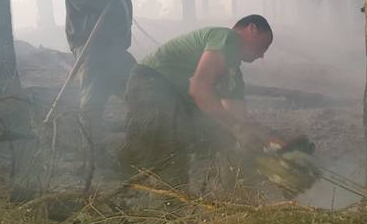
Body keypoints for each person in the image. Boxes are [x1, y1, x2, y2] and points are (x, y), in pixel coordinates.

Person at [120, 15, 282, 186]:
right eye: (265, 44)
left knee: (206, 137)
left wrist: (268, 142)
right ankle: (168, 202)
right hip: (151, 82)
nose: (263, 54)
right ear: (252, 29)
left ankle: (219, 191)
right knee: (165, 147)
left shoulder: (233, 71)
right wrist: (237, 128)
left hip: (175, 96)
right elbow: (199, 89)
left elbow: (238, 118)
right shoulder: (227, 37)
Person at [62, 0, 135, 159]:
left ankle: (138, 143)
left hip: (113, 47)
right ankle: (92, 158)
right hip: (91, 45)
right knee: (93, 101)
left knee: (140, 86)